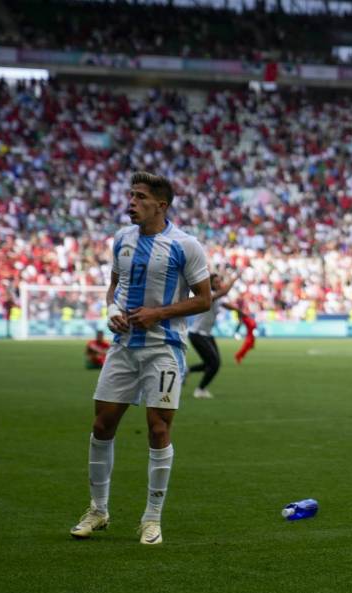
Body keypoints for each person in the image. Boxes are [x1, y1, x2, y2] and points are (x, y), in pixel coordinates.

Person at [69, 171, 211, 546]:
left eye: (140, 196)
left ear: (161, 205)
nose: (131, 202)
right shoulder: (121, 239)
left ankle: (152, 518)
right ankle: (98, 510)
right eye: (131, 195)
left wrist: (158, 313)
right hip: (123, 346)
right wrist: (112, 310)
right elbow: (115, 285)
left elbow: (204, 298)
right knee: (102, 424)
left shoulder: (185, 245)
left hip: (164, 349)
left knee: (158, 429)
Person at [186, 271, 238, 399]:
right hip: (197, 334)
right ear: (210, 284)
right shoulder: (209, 295)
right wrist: (233, 279)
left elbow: (226, 304)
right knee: (214, 364)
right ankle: (200, 390)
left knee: (212, 363)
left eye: (220, 281)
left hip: (206, 335)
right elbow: (224, 293)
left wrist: (241, 312)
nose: (219, 284)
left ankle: (187, 371)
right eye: (216, 282)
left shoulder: (217, 297)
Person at [233, 299, 258, 364]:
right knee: (247, 344)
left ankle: (240, 355)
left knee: (249, 345)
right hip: (250, 332)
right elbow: (240, 322)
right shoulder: (243, 317)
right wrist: (236, 331)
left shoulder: (246, 315)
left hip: (251, 332)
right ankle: (238, 355)